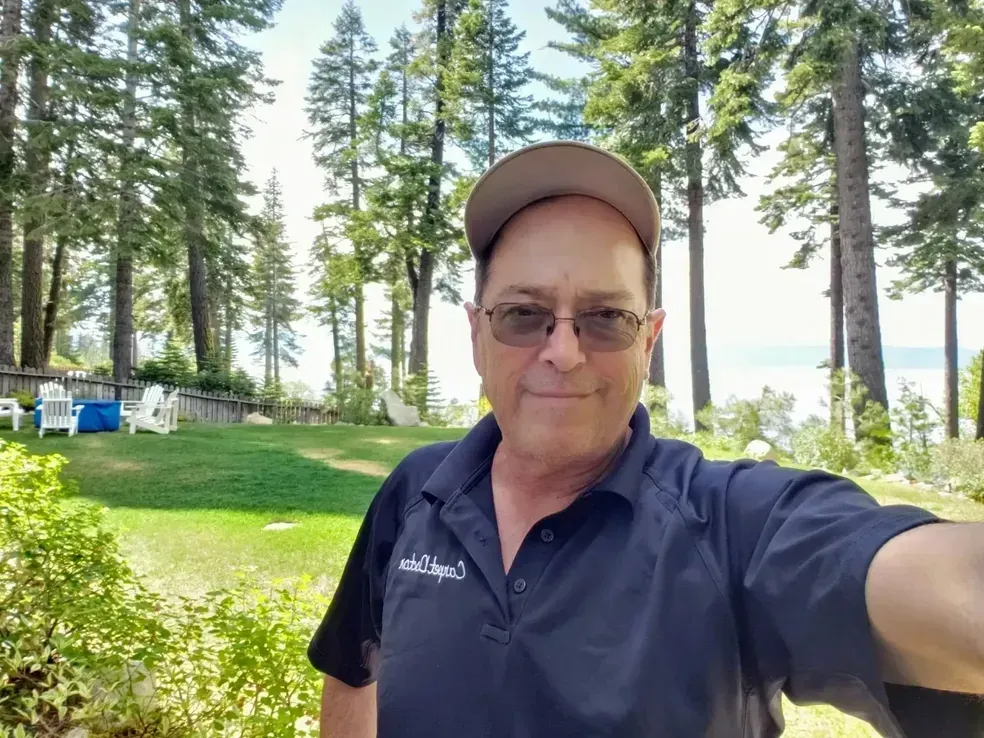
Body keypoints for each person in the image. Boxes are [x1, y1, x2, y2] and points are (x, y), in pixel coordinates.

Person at [308, 140, 984, 738]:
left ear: (649, 341)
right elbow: (349, 668)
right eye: (523, 314)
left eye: (605, 318)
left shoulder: (731, 527)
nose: (564, 351)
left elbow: (917, 581)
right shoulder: (414, 494)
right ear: (476, 333)